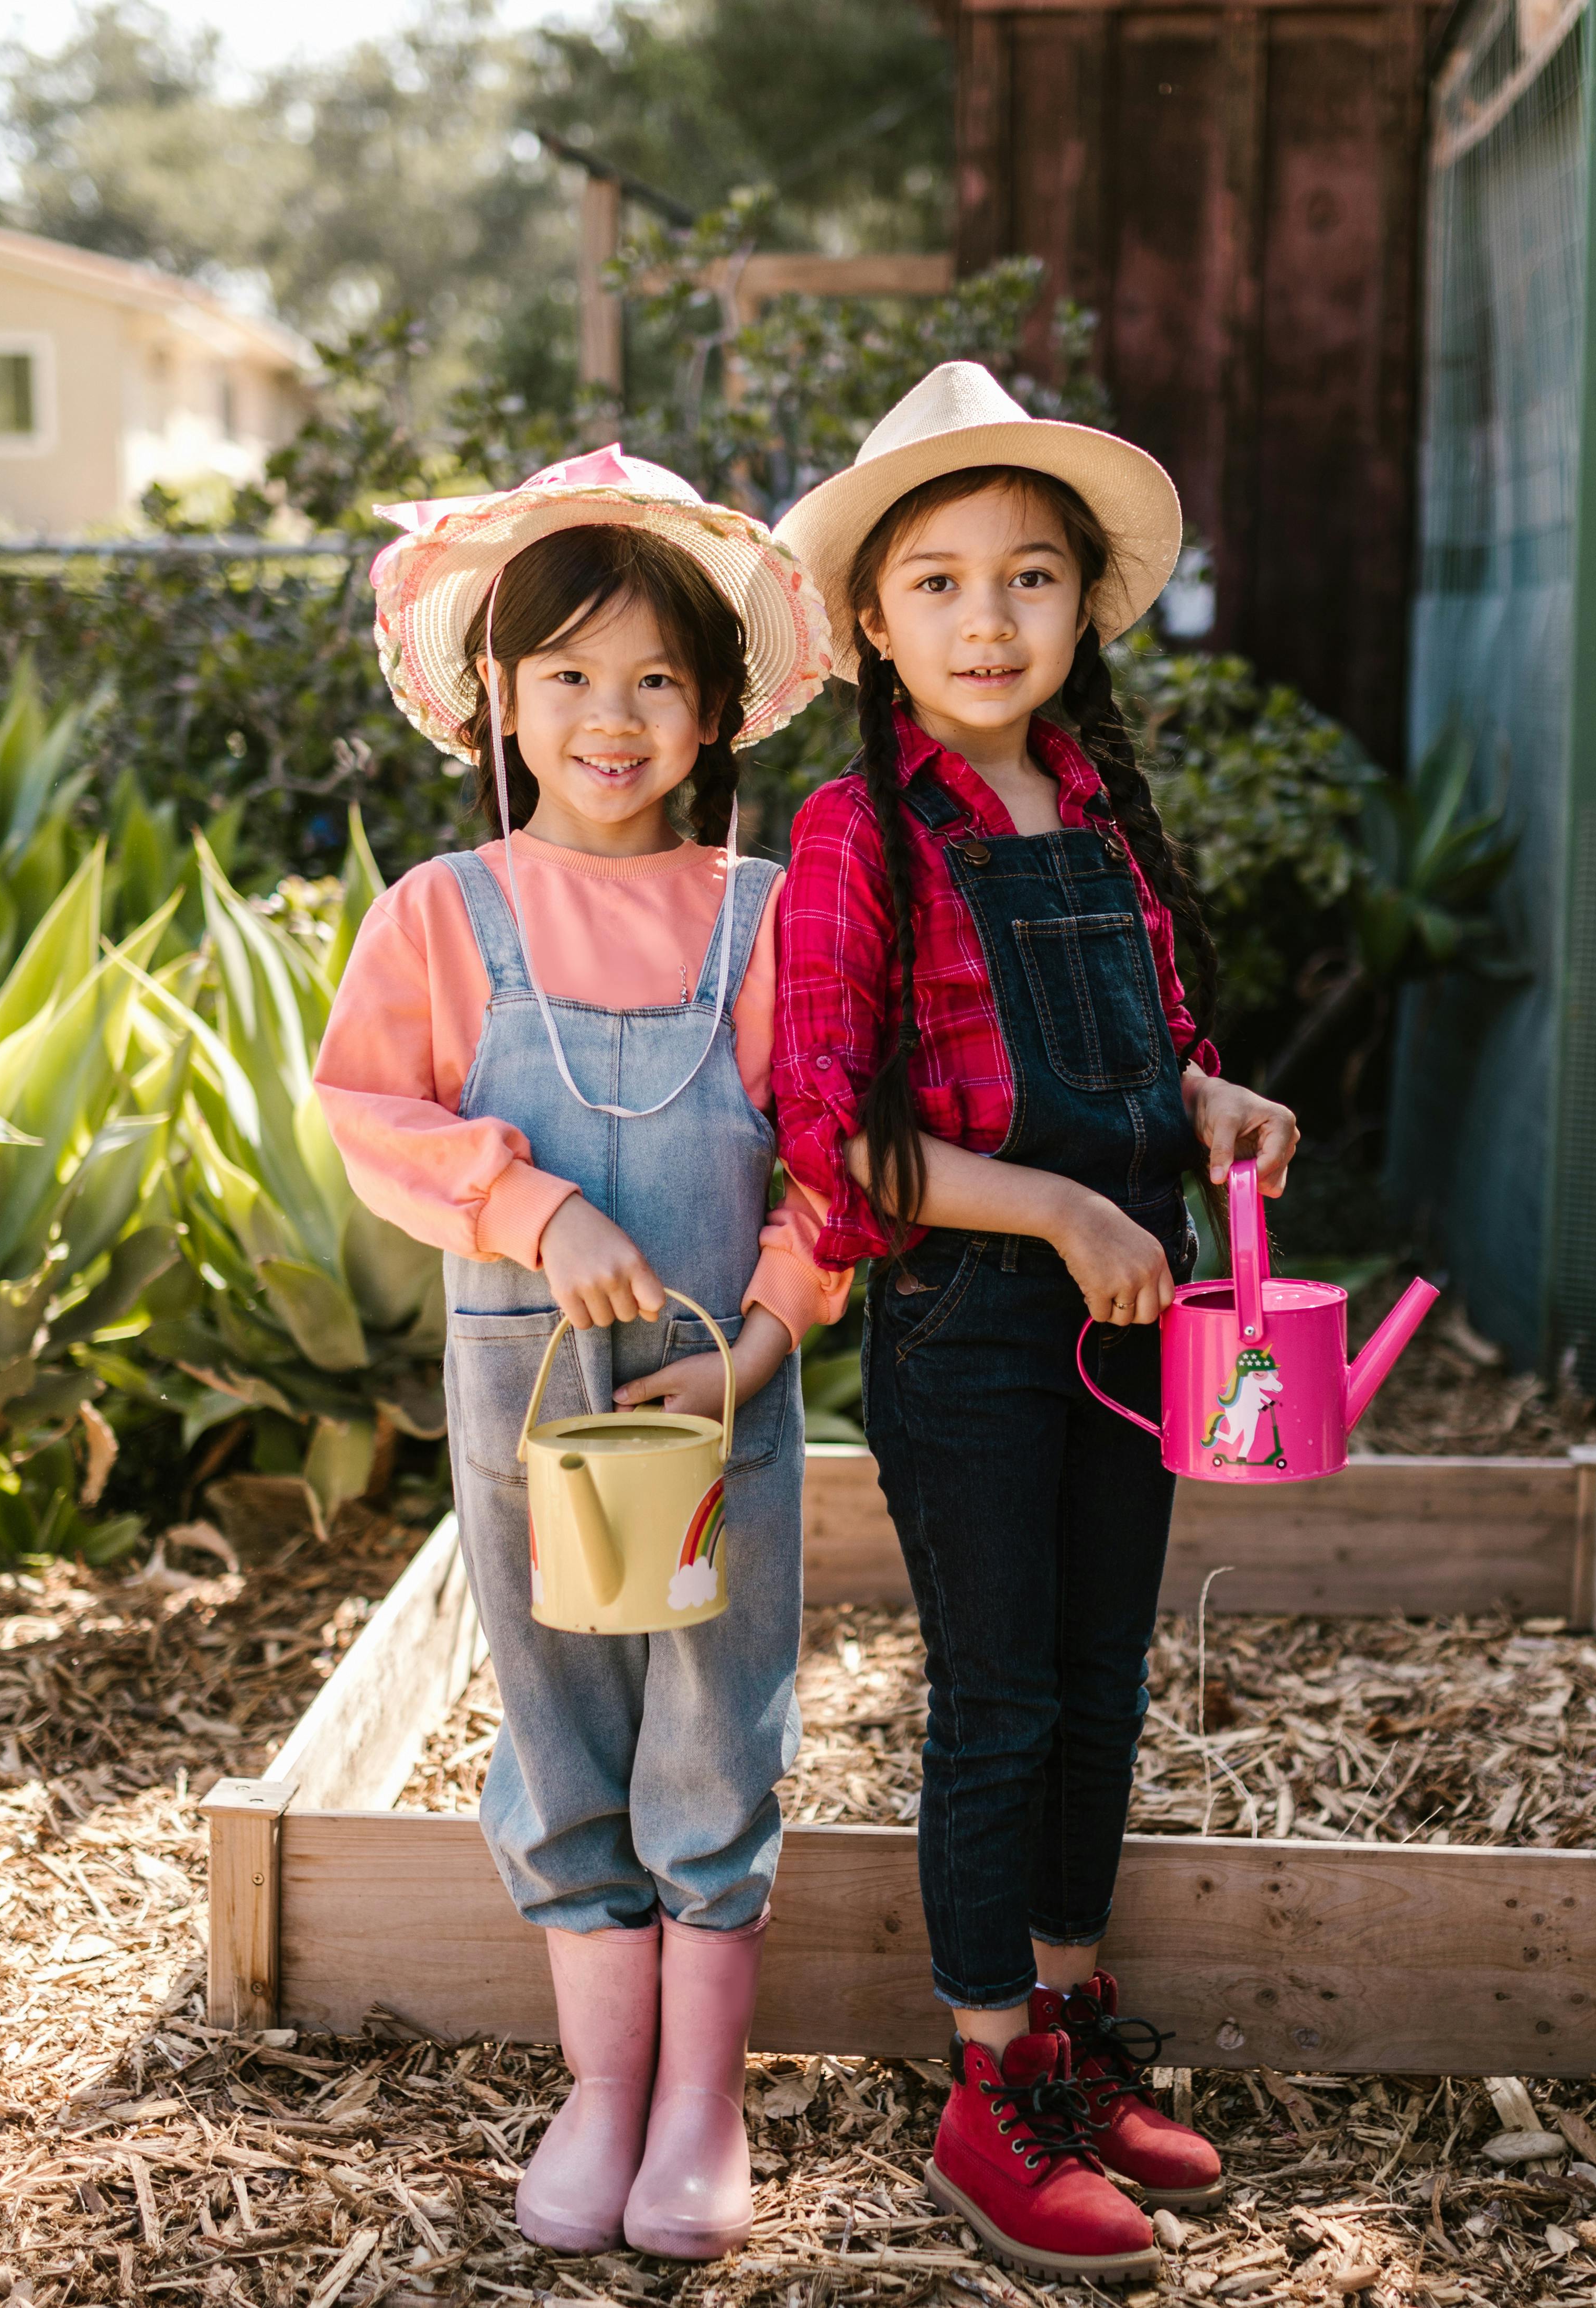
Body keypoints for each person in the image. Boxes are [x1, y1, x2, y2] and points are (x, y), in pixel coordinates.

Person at [771, 363, 1300, 2283]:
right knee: (999, 1701)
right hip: (973, 1329)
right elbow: (835, 1140)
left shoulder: (1096, 808)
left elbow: (1146, 1060)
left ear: (1086, 608)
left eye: (1029, 579)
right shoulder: (857, 835)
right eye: (937, 583)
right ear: (870, 621)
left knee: (1101, 1683)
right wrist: (1066, 1206)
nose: (987, 620)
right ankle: (986, 2082)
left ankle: (1072, 2033)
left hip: (1129, 1306)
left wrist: (1209, 1108)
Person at [314, 445, 840, 2262]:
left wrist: (765, 1342)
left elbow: (838, 1169)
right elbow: (368, 1112)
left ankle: (701, 2101)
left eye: (656, 681)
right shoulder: (443, 917)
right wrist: (537, 1212)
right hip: (525, 1405)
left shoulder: (769, 919)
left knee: (714, 1715)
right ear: (500, 700)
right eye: (569, 680)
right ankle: (601, 2086)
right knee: (553, 1711)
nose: (612, 720)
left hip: (720, 1412)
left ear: (713, 711)